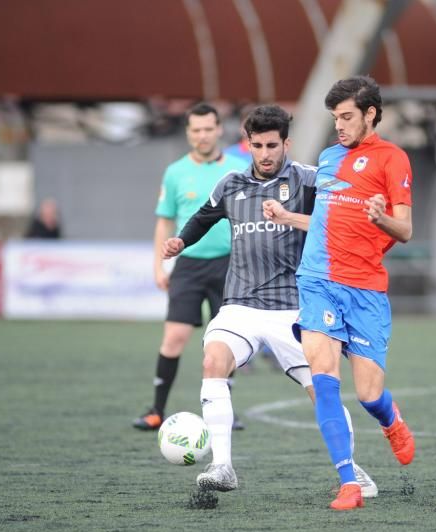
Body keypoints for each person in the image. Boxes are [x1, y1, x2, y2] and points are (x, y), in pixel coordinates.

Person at [161, 104, 378, 499]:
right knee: (213, 360)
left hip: (294, 308)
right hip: (240, 305)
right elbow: (203, 217)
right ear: (248, 145)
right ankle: (222, 466)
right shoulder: (230, 184)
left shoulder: (307, 180)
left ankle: (353, 470)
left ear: (286, 144)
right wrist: (180, 241)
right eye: (257, 145)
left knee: (322, 390)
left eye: (272, 145)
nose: (265, 153)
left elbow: (345, 203)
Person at [282, 75, 415, 511]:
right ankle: (348, 481)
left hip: (365, 289)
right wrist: (289, 217)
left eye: (347, 117)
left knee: (369, 395)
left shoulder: (393, 160)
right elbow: (324, 220)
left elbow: (406, 229)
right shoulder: (328, 158)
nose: (338, 125)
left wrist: (382, 220)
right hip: (317, 281)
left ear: (370, 114)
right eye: (335, 118)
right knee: (323, 379)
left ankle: (390, 419)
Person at [132, 103, 249, 432]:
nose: (202, 135)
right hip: (188, 266)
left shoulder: (240, 168)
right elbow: (164, 223)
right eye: (196, 130)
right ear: (188, 133)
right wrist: (159, 266)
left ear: (219, 130)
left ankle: (226, 411)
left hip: (231, 265)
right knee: (175, 338)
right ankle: (156, 409)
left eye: (208, 129)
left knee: (226, 342)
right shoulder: (175, 172)